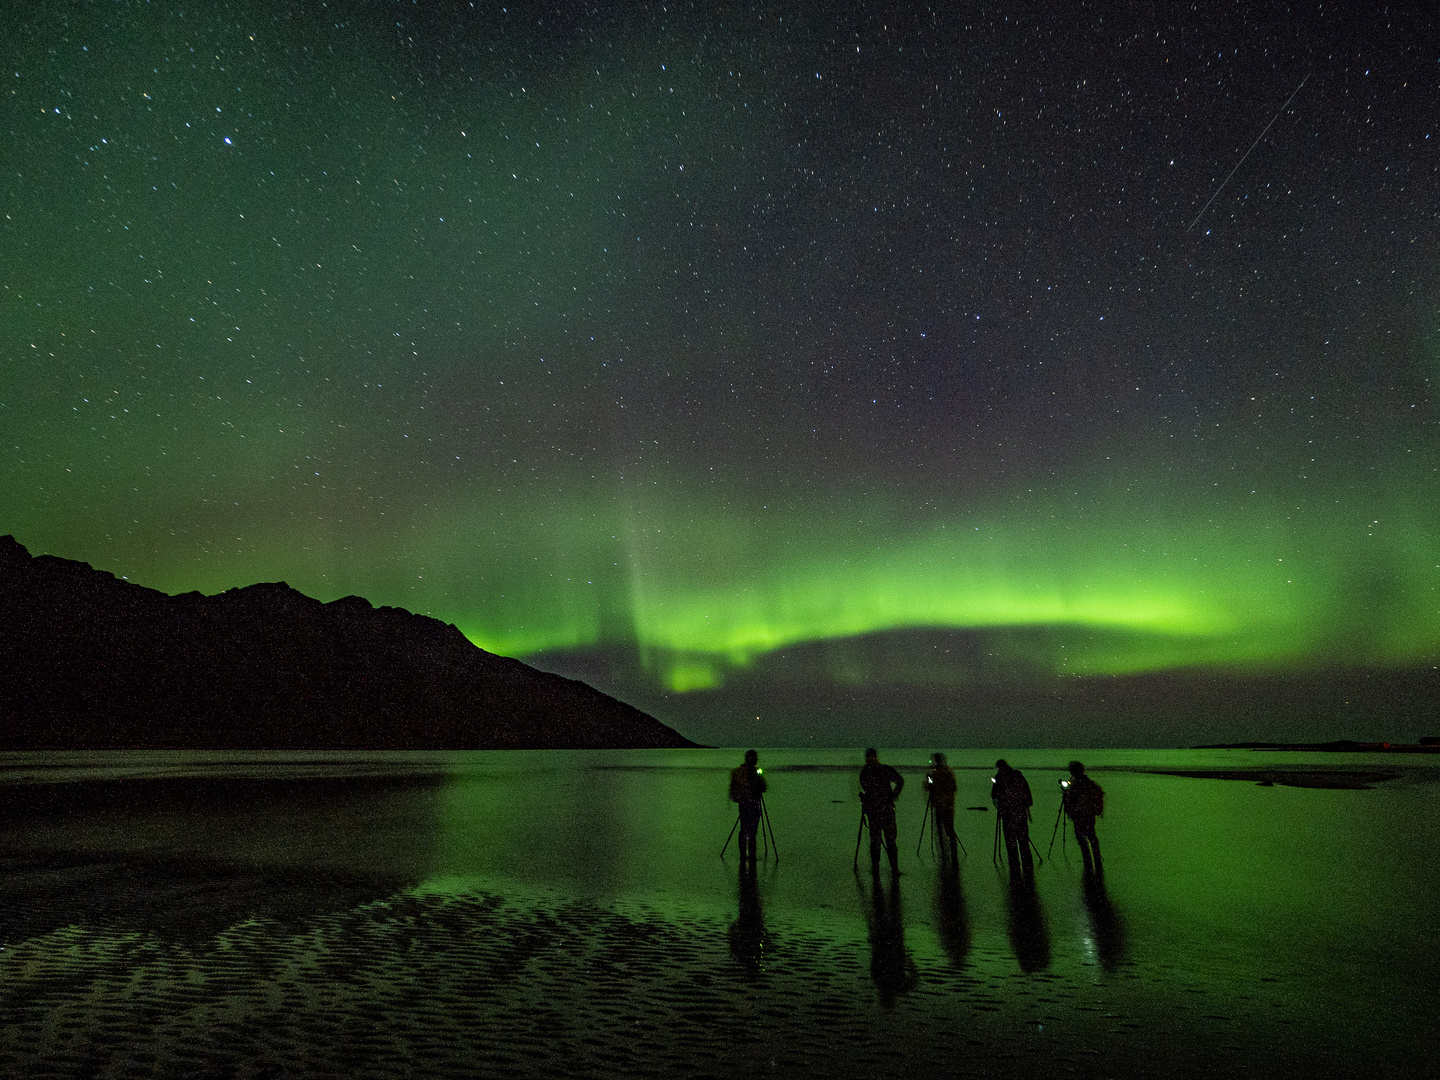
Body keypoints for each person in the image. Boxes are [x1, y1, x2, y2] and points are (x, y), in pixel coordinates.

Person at [859, 747, 904, 877]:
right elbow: (900, 781)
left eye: (870, 757)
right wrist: (893, 795)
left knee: (880, 840)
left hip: (879, 810)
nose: (870, 759)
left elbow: (900, 781)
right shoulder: (880, 770)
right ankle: (890, 869)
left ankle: (880, 870)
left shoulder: (867, 772)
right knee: (884, 841)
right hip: (882, 810)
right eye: (870, 757)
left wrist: (892, 796)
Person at [991, 759, 1034, 881]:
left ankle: (1015, 867)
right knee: (1023, 840)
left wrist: (1000, 808)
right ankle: (1028, 866)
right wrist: (1026, 805)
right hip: (1020, 812)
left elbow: (994, 795)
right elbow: (1026, 791)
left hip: (1008, 814)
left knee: (1011, 842)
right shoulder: (1017, 775)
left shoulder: (999, 778)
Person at [1062, 760, 1104, 875]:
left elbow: (1072, 800)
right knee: (1091, 836)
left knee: (1082, 837)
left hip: (1080, 815)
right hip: (1089, 814)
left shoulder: (1077, 785)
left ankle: (1088, 861)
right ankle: (1096, 859)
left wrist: (1066, 795)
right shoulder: (1089, 783)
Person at [729, 749, 768, 866]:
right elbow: (763, 788)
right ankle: (752, 858)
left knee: (743, 830)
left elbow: (733, 791)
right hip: (754, 805)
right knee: (752, 832)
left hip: (743, 805)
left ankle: (743, 856)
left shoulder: (737, 772)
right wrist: (760, 776)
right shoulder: (754, 772)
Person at [923, 751, 959, 859]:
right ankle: (953, 853)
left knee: (941, 830)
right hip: (948, 806)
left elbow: (928, 788)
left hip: (940, 806)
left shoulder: (936, 774)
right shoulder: (948, 772)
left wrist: (930, 781)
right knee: (949, 829)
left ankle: (944, 853)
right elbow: (954, 788)